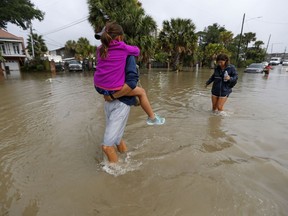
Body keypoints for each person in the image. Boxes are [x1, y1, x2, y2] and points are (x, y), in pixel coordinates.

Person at [94, 21, 165, 125]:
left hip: (98, 86)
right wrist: (124, 45)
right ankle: (152, 118)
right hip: (112, 88)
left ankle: (132, 100)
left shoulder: (99, 49)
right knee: (142, 92)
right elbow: (137, 51)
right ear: (119, 37)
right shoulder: (123, 48)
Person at [101, 55, 139, 163]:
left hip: (120, 103)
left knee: (106, 146)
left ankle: (117, 175)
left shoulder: (127, 56)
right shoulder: (106, 56)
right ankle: (127, 159)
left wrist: (112, 96)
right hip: (109, 103)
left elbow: (132, 83)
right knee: (117, 139)